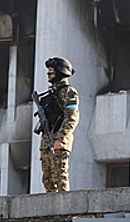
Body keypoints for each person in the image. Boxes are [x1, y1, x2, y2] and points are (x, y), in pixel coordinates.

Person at [38, 57, 79, 192]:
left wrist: (61, 138)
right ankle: (53, 211)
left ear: (61, 72)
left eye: (52, 71)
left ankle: (66, 212)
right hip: (46, 141)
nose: (49, 74)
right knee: (47, 179)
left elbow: (71, 117)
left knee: (60, 177)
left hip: (59, 141)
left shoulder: (69, 92)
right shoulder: (50, 94)